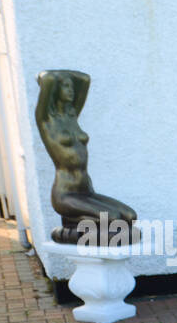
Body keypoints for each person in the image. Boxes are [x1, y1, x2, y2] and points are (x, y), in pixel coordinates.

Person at [35, 69, 137, 244]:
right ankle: (69, 226)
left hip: (86, 191)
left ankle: (73, 226)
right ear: (54, 90)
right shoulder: (46, 119)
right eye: (65, 86)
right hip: (65, 194)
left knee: (130, 216)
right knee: (112, 218)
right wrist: (49, 78)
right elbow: (48, 77)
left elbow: (84, 79)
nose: (71, 90)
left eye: (71, 86)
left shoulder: (72, 115)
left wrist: (65, 79)